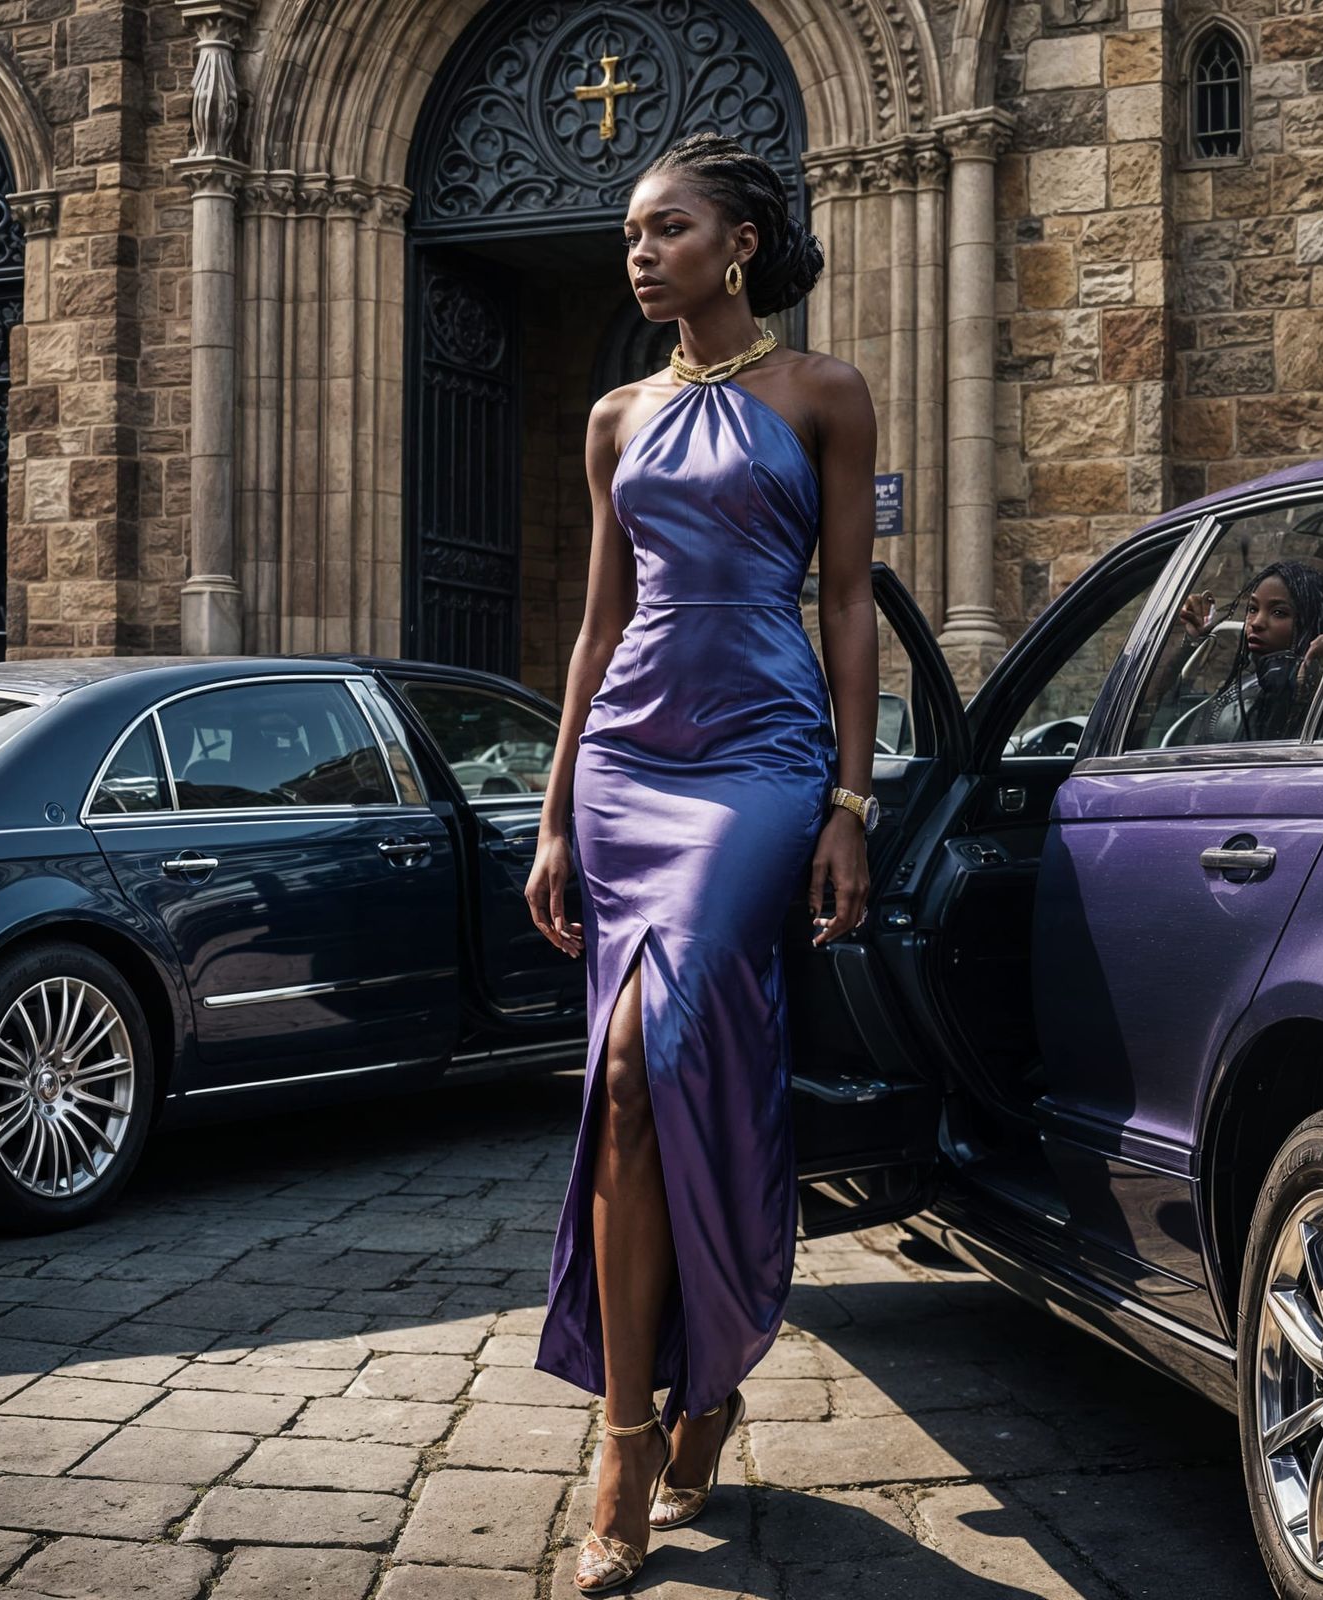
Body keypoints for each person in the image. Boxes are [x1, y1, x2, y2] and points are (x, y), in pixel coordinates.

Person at [524, 131, 880, 1593]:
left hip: (757, 767)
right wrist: (552, 811)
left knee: (690, 1056)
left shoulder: (823, 393)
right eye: (629, 234)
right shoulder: (614, 416)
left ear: (738, 242)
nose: (639, 250)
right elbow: (598, 628)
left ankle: (716, 1357)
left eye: (666, 228)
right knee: (622, 1079)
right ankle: (628, 1424)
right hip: (629, 764)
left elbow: (850, 600)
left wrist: (852, 798)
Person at [1167, 559, 1323, 745]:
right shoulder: (1246, 686)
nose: (1256, 622)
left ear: (1313, 623)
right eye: (1252, 609)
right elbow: (1162, 704)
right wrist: (1189, 640)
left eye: (1278, 613)